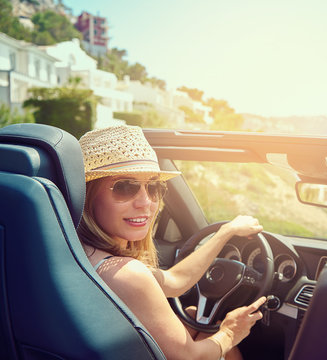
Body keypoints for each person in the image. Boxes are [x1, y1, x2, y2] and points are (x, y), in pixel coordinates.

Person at [77, 124, 266, 360]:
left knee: (194, 314)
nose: (146, 202)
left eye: (154, 187)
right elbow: (188, 356)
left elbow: (176, 281)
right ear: (85, 195)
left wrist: (224, 232)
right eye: (125, 187)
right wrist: (230, 332)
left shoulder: (80, 253)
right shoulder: (125, 273)